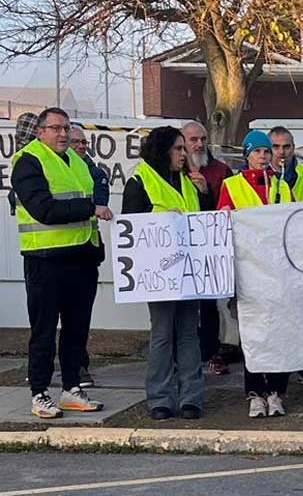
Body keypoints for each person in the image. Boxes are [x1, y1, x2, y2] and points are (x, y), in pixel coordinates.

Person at [11, 107, 109, 419]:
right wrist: (90, 208)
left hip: (81, 256)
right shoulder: (28, 161)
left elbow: (99, 186)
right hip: (46, 259)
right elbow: (44, 210)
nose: (63, 134)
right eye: (55, 128)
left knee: (76, 329)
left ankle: (71, 388)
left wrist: (93, 205)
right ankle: (39, 392)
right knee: (44, 330)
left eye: (66, 128)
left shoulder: (77, 161)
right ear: (40, 132)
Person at [123, 126, 213, 420]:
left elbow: (205, 226)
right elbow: (132, 228)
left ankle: (191, 398)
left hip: (188, 271)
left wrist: (204, 195)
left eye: (184, 149)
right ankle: (160, 398)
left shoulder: (188, 182)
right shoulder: (140, 181)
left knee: (188, 334)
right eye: (178, 149)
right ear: (163, 151)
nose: (184, 154)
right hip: (159, 274)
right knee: (162, 334)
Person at [218, 130, 295, 418]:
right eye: (257, 152)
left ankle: (276, 391)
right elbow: (221, 222)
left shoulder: (282, 186)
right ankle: (255, 392)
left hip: (277, 273)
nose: (263, 156)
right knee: (252, 333)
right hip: (248, 272)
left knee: (278, 334)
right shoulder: (232, 185)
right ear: (247, 155)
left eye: (266, 152)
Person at [268, 125, 303, 389]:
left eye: (287, 146)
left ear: (294, 148)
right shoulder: (260, 177)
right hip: (269, 258)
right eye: (276, 147)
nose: (282, 152)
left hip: (302, 256)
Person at [182, 121, 235, 376]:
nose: (200, 144)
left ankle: (213, 352)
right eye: (193, 139)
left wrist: (205, 191)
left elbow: (228, 207)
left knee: (210, 304)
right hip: (179, 249)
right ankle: (185, 354)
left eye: (203, 138)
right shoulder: (173, 170)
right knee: (182, 307)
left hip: (210, 248)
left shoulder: (221, 170)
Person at [67, 124, 109, 389]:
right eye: (75, 143)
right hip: (54, 254)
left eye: (84, 143)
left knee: (79, 317)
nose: (81, 147)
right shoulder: (50, 169)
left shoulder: (95, 172)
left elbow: (100, 202)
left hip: (86, 251)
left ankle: (79, 366)